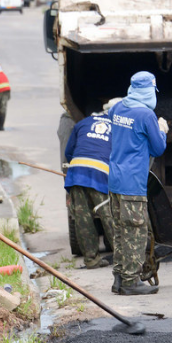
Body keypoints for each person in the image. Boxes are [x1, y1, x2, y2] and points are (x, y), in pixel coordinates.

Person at [108, 71, 168, 295]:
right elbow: (158, 148)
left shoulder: (117, 108)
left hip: (114, 180)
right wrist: (161, 131)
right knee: (135, 231)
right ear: (149, 90)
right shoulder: (146, 115)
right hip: (133, 182)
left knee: (120, 231)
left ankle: (119, 277)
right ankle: (131, 282)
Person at [64, 99, 120, 269]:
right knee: (109, 216)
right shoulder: (119, 127)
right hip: (100, 173)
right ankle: (122, 258)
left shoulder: (83, 122)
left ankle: (91, 259)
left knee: (83, 218)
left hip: (76, 172)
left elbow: (69, 152)